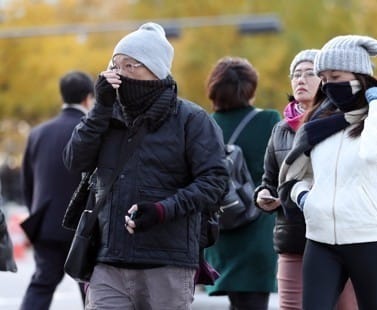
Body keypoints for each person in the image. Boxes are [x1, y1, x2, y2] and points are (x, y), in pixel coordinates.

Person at [62, 22, 228, 309]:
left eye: (130, 65)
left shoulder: (192, 119)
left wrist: (162, 209)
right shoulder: (105, 116)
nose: (120, 74)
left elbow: (215, 182)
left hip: (168, 261)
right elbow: (73, 160)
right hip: (107, 259)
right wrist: (100, 108)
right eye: (115, 66)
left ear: (156, 69)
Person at [278, 35, 377, 309]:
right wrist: (303, 198)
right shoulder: (317, 124)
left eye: (335, 75)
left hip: (371, 237)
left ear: (359, 76)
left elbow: (375, 152)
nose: (328, 85)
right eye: (323, 78)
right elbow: (300, 174)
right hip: (321, 238)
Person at [254, 49, 357, 310]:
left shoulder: (344, 121)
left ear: (325, 79)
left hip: (340, 237)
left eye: (309, 73)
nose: (301, 79)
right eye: (296, 74)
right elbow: (268, 179)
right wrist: (263, 195)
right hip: (294, 237)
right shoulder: (280, 129)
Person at [204, 56, 280, 310]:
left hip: (219, 227)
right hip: (257, 227)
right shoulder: (269, 120)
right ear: (250, 88)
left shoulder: (203, 124)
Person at [19, 70, 94, 309]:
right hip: (84, 226)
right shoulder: (91, 131)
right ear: (88, 98)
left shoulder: (38, 133)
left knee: (41, 285)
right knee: (91, 289)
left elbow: (28, 183)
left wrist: (36, 213)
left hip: (46, 224)